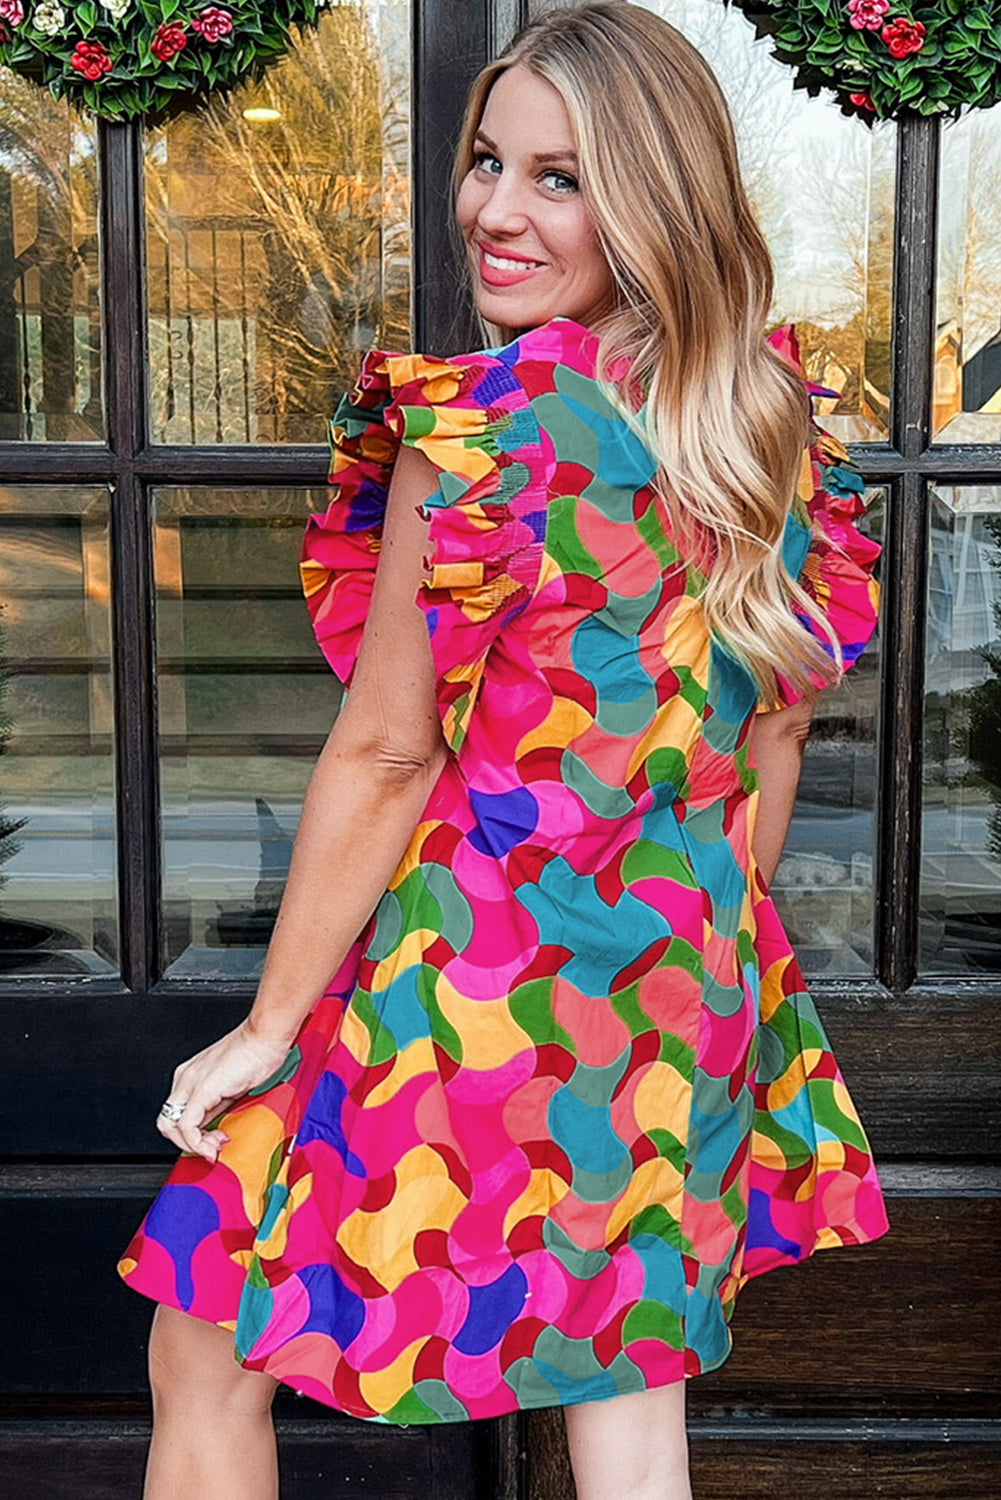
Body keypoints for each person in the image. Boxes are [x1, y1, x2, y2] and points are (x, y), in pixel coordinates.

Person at [118, 5, 889, 1497]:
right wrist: (676, 958)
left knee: (206, 1345)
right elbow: (776, 734)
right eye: (487, 162)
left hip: (467, 973)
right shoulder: (772, 427)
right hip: (676, 983)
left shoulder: (488, 430)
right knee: (628, 1400)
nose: (494, 209)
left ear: (654, 203)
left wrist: (268, 1028)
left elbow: (387, 756)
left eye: (559, 177)